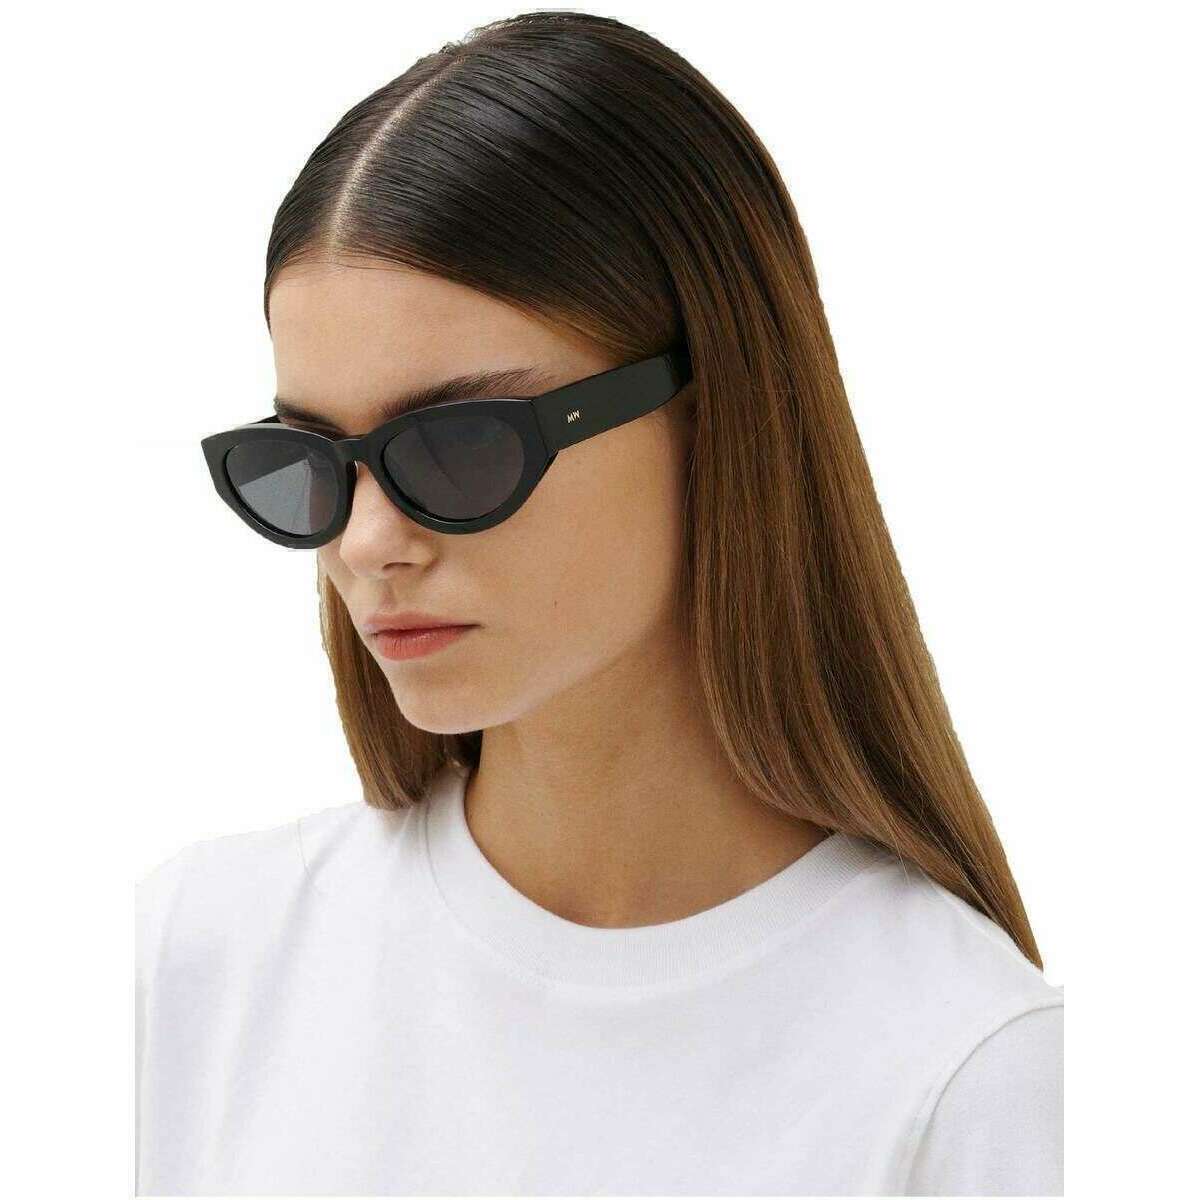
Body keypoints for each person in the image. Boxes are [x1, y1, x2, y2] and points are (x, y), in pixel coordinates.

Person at [138, 10, 1064, 1196]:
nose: (367, 544)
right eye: (311, 462)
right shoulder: (195, 962)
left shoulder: (965, 1070)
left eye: (461, 444)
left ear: (711, 408)